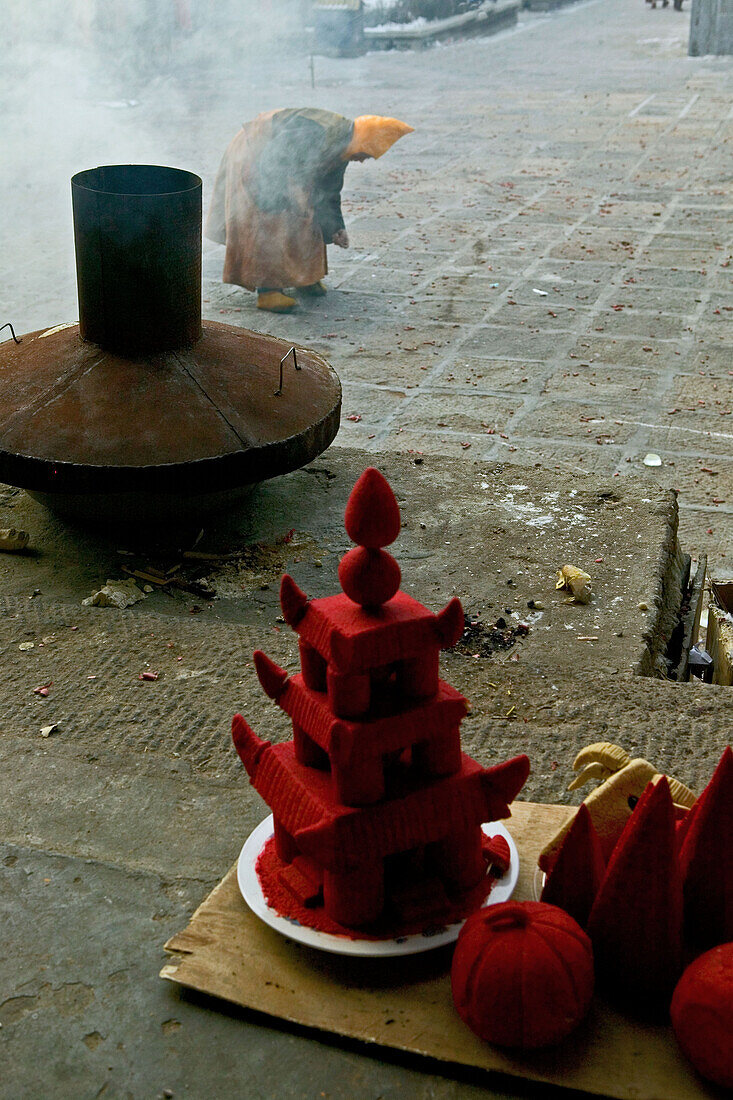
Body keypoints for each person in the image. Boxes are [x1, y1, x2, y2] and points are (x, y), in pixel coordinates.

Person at [205, 108, 414, 312]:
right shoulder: (313, 132)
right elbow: (272, 162)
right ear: (361, 141)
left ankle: (304, 278)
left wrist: (334, 228)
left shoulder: (343, 148)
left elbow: (328, 192)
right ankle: (268, 291)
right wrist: (277, 201)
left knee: (307, 214)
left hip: (283, 166)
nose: (361, 160)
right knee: (270, 221)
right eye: (365, 155)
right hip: (257, 155)